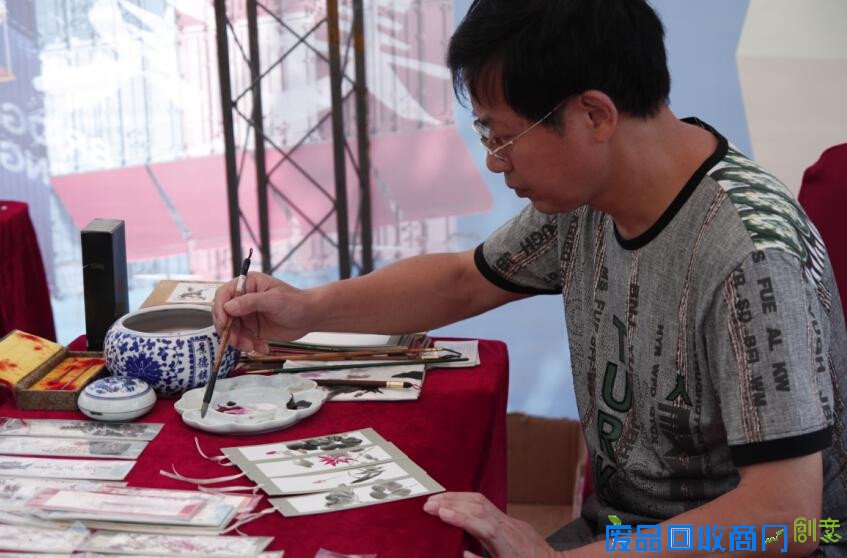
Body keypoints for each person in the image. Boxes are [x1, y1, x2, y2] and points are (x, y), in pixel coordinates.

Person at [213, 0, 847, 556]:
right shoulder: (593, 197)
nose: (493, 162)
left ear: (595, 114)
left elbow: (785, 523)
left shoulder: (751, 255)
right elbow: (465, 279)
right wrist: (305, 309)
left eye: (502, 135)